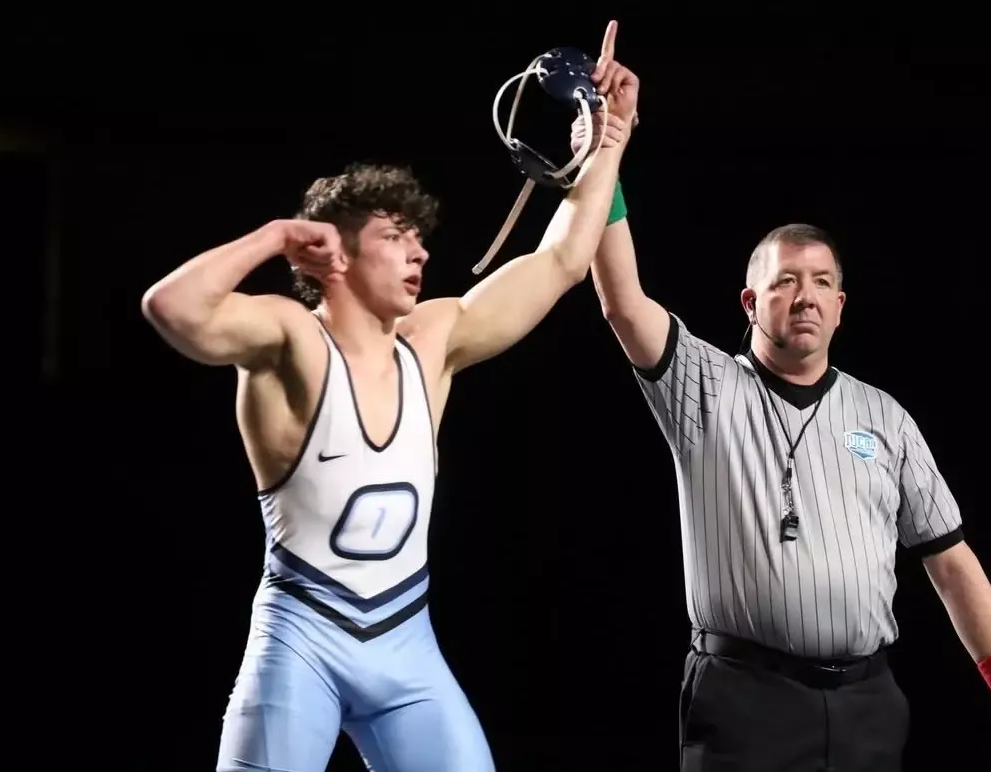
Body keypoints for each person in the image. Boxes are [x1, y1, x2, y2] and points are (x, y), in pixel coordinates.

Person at [141, 22, 639, 772]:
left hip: (406, 646)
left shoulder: (433, 341)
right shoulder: (290, 340)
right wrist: (274, 236)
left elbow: (564, 258)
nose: (421, 252)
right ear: (334, 251)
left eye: (419, 237)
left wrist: (611, 140)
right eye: (397, 236)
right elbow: (170, 308)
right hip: (298, 643)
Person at [580, 168, 991, 768]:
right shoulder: (706, 387)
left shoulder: (886, 418)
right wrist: (606, 162)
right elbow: (623, 304)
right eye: (785, 281)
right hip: (744, 699)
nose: (805, 296)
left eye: (821, 283)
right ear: (751, 301)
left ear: (840, 307)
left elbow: (950, 560)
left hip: (868, 704)